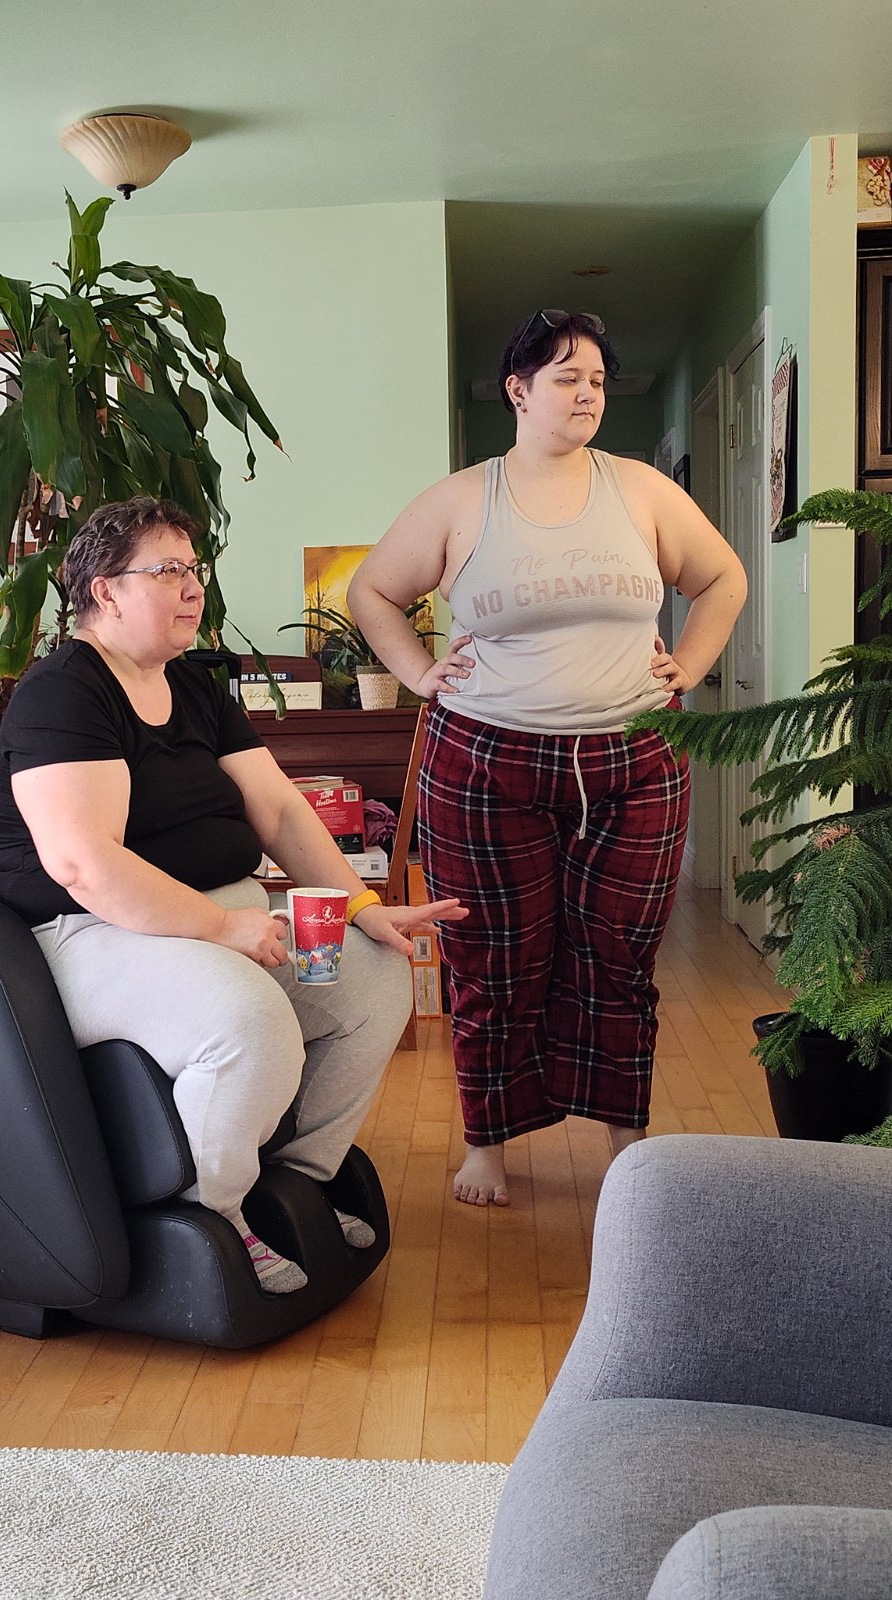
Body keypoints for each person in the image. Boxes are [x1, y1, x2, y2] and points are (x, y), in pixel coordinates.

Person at [0, 496, 468, 1292]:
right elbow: (83, 865)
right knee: (250, 1021)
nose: (192, 586)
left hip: (223, 915)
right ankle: (217, 1218)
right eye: (167, 570)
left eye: (195, 568)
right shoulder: (64, 692)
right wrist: (220, 928)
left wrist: (362, 907)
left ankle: (299, 1182)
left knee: (376, 979)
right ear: (105, 591)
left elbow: (280, 811)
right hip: (92, 934)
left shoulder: (195, 686)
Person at [347, 309, 747, 1208]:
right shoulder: (462, 499)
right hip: (485, 763)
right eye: (567, 377)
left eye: (597, 380)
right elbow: (372, 590)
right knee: (494, 958)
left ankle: (626, 1143)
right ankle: (487, 1145)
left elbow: (724, 578)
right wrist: (418, 673)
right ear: (518, 391)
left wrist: (690, 665)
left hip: (636, 759)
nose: (587, 394)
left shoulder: (641, 489)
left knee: (620, 956)